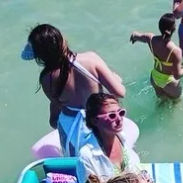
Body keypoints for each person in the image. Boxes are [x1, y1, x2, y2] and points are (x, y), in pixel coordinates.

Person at [24, 24, 126, 157]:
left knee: (78, 165)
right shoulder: (91, 59)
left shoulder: (46, 78)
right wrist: (116, 79)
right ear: (62, 41)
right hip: (100, 120)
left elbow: (54, 118)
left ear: (40, 57)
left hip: (72, 127)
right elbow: (120, 92)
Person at [76, 93, 143, 183]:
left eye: (121, 113)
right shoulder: (87, 156)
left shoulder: (123, 138)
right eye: (111, 116)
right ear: (95, 120)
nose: (119, 119)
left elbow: (136, 171)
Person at [131, 14, 183, 100]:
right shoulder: (175, 50)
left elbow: (136, 36)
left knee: (161, 102)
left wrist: (134, 37)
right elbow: (177, 75)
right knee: (176, 105)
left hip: (155, 78)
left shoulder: (150, 38)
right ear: (173, 29)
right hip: (169, 82)